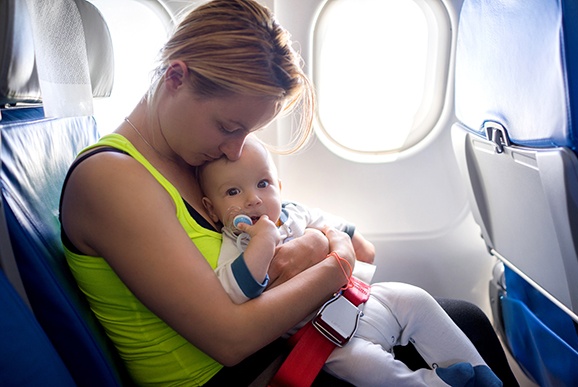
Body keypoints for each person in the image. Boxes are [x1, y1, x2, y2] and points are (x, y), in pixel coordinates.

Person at [60, 0, 517, 385]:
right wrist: (336, 264)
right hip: (243, 373)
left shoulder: (195, 155)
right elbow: (231, 339)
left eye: (249, 133)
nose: (236, 148)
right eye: (228, 126)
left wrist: (325, 242)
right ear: (176, 78)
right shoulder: (111, 181)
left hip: (285, 344)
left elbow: (335, 238)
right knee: (463, 326)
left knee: (456, 315)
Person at [198, 136, 503, 386]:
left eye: (263, 184)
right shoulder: (235, 245)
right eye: (234, 191)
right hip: (322, 335)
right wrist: (263, 242)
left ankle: (480, 374)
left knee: (414, 297)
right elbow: (236, 291)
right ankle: (436, 383)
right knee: (366, 368)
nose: (253, 199)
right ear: (212, 210)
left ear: (279, 186)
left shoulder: (295, 213)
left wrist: (334, 238)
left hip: (361, 298)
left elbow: (348, 235)